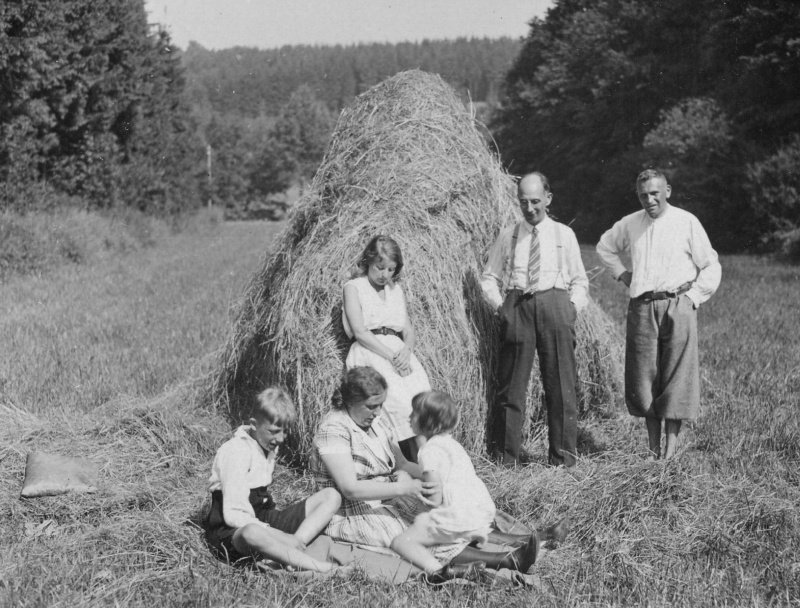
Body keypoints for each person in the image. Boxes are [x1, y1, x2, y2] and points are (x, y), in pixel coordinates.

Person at [310, 367, 566, 582]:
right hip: (351, 510)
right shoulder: (334, 428)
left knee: (441, 518)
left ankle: (527, 540)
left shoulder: (376, 423)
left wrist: (437, 476)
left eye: (380, 405)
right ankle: (506, 561)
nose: (378, 413)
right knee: (413, 532)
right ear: (350, 402)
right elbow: (349, 488)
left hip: (389, 493)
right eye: (371, 407)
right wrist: (407, 489)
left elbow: (400, 464)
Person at [596, 169, 721, 459]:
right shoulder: (630, 223)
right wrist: (621, 274)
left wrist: (693, 298)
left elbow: (711, 265)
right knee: (644, 378)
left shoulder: (685, 221)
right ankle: (653, 452)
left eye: (654, 193)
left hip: (678, 304)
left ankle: (670, 454)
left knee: (676, 376)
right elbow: (604, 247)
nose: (649, 200)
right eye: (643, 195)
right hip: (641, 307)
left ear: (668, 191)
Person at [480, 172, 589, 467]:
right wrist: (502, 307)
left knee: (561, 385)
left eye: (536, 201)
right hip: (518, 307)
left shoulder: (564, 235)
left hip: (555, 304)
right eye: (523, 202)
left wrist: (571, 310)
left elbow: (580, 280)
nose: (529, 208)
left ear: (548, 199)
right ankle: (506, 459)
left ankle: (563, 459)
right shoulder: (510, 235)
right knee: (511, 386)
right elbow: (489, 278)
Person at [390, 391, 543, 576]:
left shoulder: (428, 451)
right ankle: (506, 549)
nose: (409, 417)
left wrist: (408, 487)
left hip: (453, 517)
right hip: (478, 511)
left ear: (426, 421)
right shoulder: (449, 444)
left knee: (403, 540)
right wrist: (406, 467)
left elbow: (434, 498)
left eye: (414, 413)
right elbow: (432, 473)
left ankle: (441, 572)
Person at [205, 387, 344, 573]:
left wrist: (282, 534)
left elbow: (263, 512)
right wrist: (277, 533)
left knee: (331, 496)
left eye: (285, 432)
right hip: (232, 531)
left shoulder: (266, 444)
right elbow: (233, 515)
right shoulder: (236, 452)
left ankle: (292, 548)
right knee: (252, 533)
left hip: (263, 517)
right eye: (274, 431)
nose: (280, 438)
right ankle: (320, 567)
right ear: (253, 424)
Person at [342, 235, 431, 455]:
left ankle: (427, 457)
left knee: (421, 397)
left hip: (399, 350)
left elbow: (407, 329)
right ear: (368, 261)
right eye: (380, 268)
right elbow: (360, 332)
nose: (385, 275)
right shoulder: (354, 287)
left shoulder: (395, 290)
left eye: (391, 269)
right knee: (397, 401)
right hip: (370, 350)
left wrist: (406, 351)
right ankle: (404, 460)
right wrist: (391, 357)